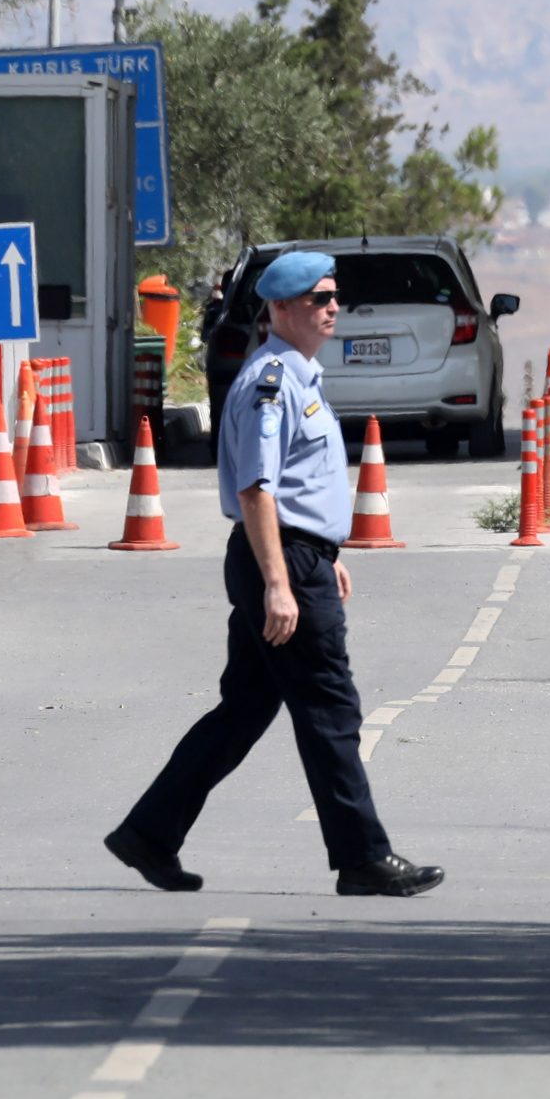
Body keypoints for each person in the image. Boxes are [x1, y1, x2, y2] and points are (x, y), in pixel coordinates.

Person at [105, 250, 444, 897]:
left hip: (295, 554)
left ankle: (149, 833)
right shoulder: (270, 382)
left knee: (245, 709)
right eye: (319, 299)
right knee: (331, 709)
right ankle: (363, 857)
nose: (332, 307)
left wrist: (329, 554)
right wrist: (281, 584)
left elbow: (297, 485)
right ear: (281, 310)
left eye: (333, 296)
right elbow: (258, 490)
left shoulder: (299, 376)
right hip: (278, 558)